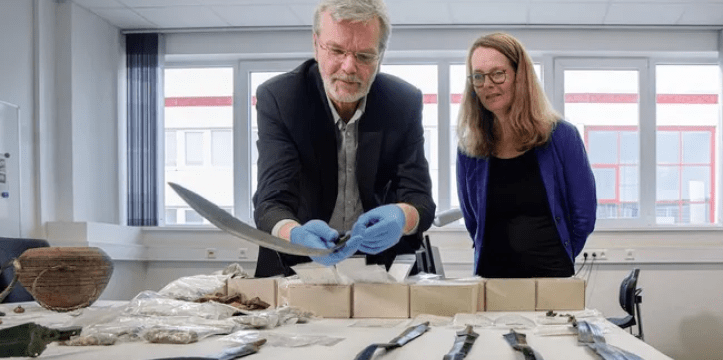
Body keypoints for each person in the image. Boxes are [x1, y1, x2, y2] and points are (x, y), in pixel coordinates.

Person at [253, 0, 436, 277]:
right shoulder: (282, 99)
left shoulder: (403, 103)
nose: (349, 67)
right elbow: (271, 202)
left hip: (378, 270)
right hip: (295, 266)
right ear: (316, 45)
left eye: (364, 56)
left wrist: (402, 218)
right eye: (336, 50)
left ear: (380, 55)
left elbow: (420, 199)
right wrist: (296, 234)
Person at [456, 33, 597, 278]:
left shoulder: (562, 136)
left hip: (552, 278)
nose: (487, 84)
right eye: (478, 76)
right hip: (492, 280)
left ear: (519, 76)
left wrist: (560, 256)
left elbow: (584, 214)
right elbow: (472, 220)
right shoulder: (470, 148)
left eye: (497, 73)